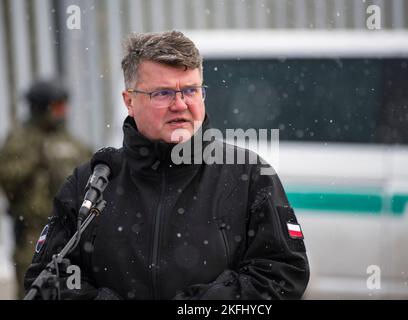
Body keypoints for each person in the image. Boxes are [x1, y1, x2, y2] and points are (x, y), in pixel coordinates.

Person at [24, 31, 309, 300]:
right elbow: (49, 280)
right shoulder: (91, 181)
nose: (181, 104)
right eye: (163, 93)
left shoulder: (247, 175)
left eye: (191, 90)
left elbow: (282, 275)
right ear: (130, 101)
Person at [0, 80, 92, 298]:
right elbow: (7, 178)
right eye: (57, 107)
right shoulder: (21, 140)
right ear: (42, 108)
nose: (63, 113)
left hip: (70, 233)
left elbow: (92, 171)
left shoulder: (70, 141)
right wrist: (35, 160)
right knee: (34, 288)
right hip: (33, 232)